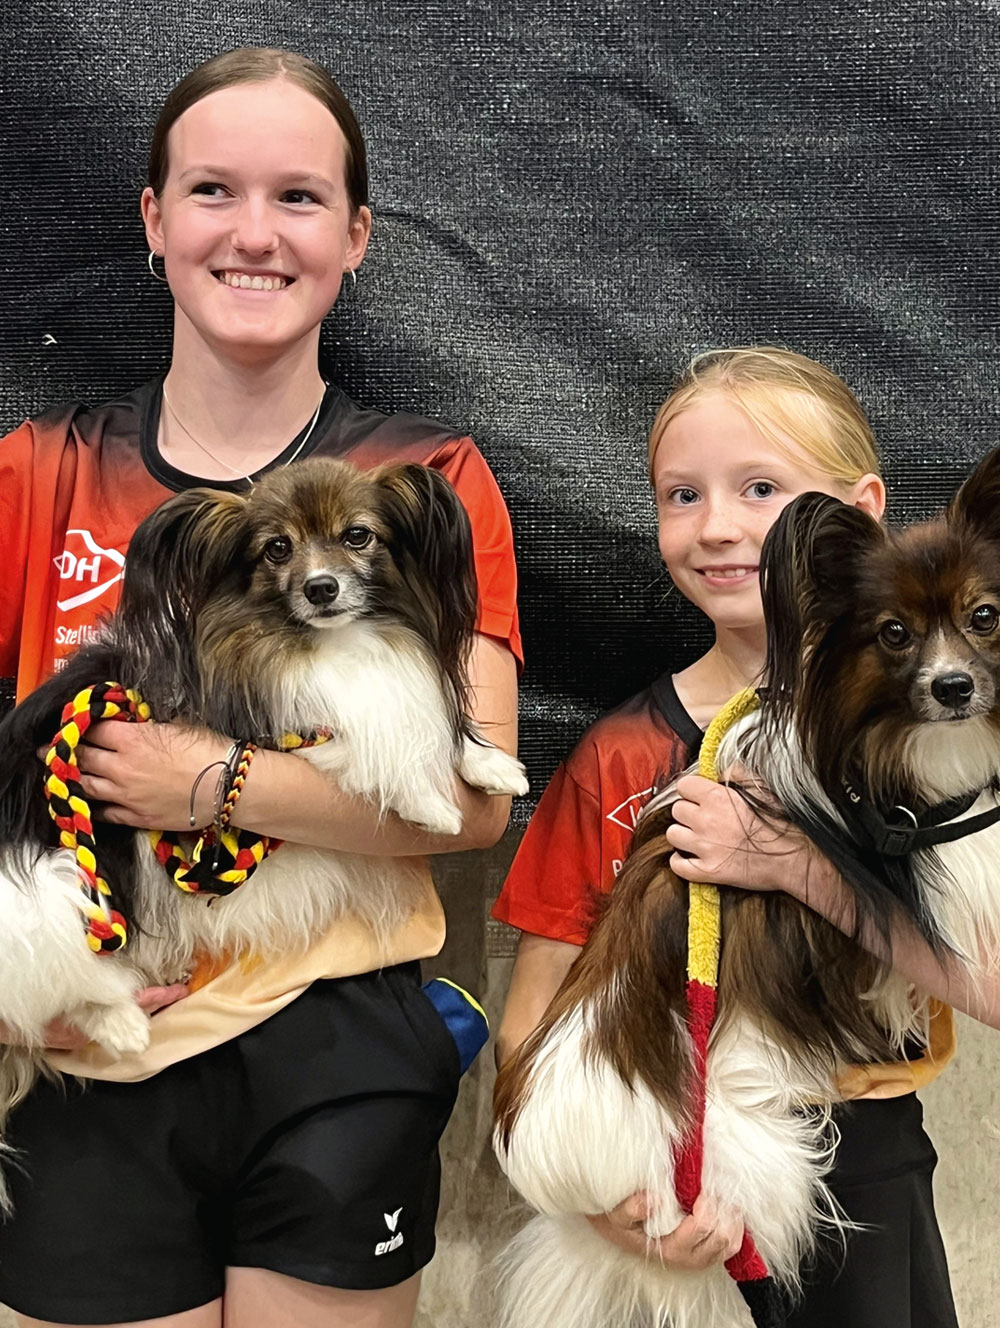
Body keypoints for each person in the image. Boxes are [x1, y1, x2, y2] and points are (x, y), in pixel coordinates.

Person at [0, 47, 522, 1328]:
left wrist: (212, 784)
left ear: (354, 235)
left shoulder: (431, 475)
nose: (252, 232)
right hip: (96, 1049)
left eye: (298, 197)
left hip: (338, 1040)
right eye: (212, 190)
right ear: (154, 220)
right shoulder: (36, 470)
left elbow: (468, 806)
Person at [492, 345, 996, 1327]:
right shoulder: (620, 754)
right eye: (681, 495)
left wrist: (793, 865)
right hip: (661, 1165)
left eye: (759, 488)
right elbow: (530, 1021)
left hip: (864, 1152)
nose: (717, 525)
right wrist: (608, 1200)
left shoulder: (950, 749)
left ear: (856, 514)